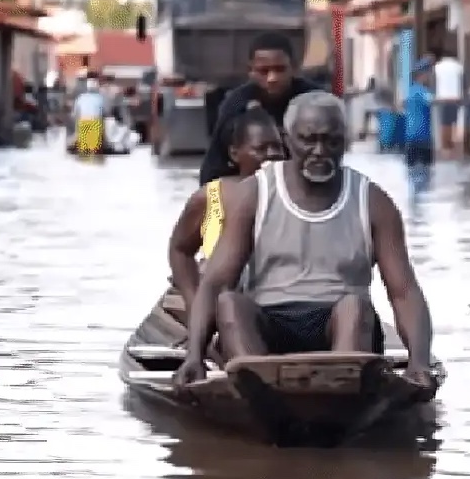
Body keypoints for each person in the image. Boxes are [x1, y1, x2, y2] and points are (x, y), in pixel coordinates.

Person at [173, 91, 435, 392]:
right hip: (270, 324)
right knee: (229, 303)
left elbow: (403, 291)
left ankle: (341, 391)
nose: (320, 151)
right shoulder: (254, 195)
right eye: (308, 140)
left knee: (355, 307)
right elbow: (215, 283)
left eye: (331, 142)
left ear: (345, 141)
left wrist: (419, 361)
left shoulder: (373, 202)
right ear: (288, 140)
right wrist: (194, 355)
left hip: (341, 327)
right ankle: (259, 390)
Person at [168, 109, 285, 314]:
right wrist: (193, 300)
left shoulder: (294, 195)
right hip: (223, 304)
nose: (272, 154)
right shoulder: (210, 197)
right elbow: (180, 250)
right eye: (261, 148)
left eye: (277, 146)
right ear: (234, 154)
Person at [198, 31, 321, 186]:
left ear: (294, 68)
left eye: (280, 69)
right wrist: (219, 198)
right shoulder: (235, 105)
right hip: (250, 186)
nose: (272, 78)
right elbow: (213, 167)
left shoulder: (315, 101)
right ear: (251, 71)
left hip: (306, 184)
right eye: (264, 71)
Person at [404, 58, 435, 192]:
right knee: (426, 174)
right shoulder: (422, 91)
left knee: (411, 175)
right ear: (422, 75)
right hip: (423, 138)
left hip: (410, 137)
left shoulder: (410, 91)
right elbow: (433, 101)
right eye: (428, 74)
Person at [433, 49, 464, 157]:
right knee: (453, 123)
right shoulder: (459, 67)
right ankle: (451, 146)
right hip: (455, 98)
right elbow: (463, 82)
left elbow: (434, 82)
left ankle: (444, 147)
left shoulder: (438, 67)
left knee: (443, 124)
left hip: (442, 98)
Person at [71, 77, 105, 153]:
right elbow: (104, 112)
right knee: (93, 148)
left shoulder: (80, 97)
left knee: (84, 149)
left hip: (83, 122)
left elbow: (75, 113)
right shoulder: (100, 98)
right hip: (95, 122)